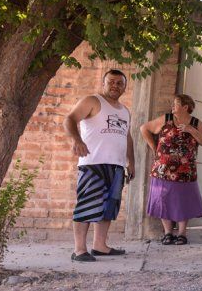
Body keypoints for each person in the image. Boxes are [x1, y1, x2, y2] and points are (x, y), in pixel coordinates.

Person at [64, 69, 134, 262]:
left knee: (109, 207)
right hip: (93, 163)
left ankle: (100, 246)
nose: (115, 86)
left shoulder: (125, 111)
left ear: (124, 87)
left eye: (120, 83)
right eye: (111, 82)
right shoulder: (93, 101)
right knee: (87, 205)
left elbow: (128, 138)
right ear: (103, 83)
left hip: (117, 166)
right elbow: (69, 119)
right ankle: (79, 250)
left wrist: (131, 163)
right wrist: (77, 140)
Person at [140, 94, 202, 245]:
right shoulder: (165, 119)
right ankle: (168, 233)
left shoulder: (195, 123)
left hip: (185, 171)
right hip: (162, 169)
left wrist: (191, 130)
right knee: (163, 200)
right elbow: (144, 128)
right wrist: (154, 148)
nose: (172, 106)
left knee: (183, 201)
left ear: (185, 107)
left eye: (176, 103)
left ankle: (182, 233)